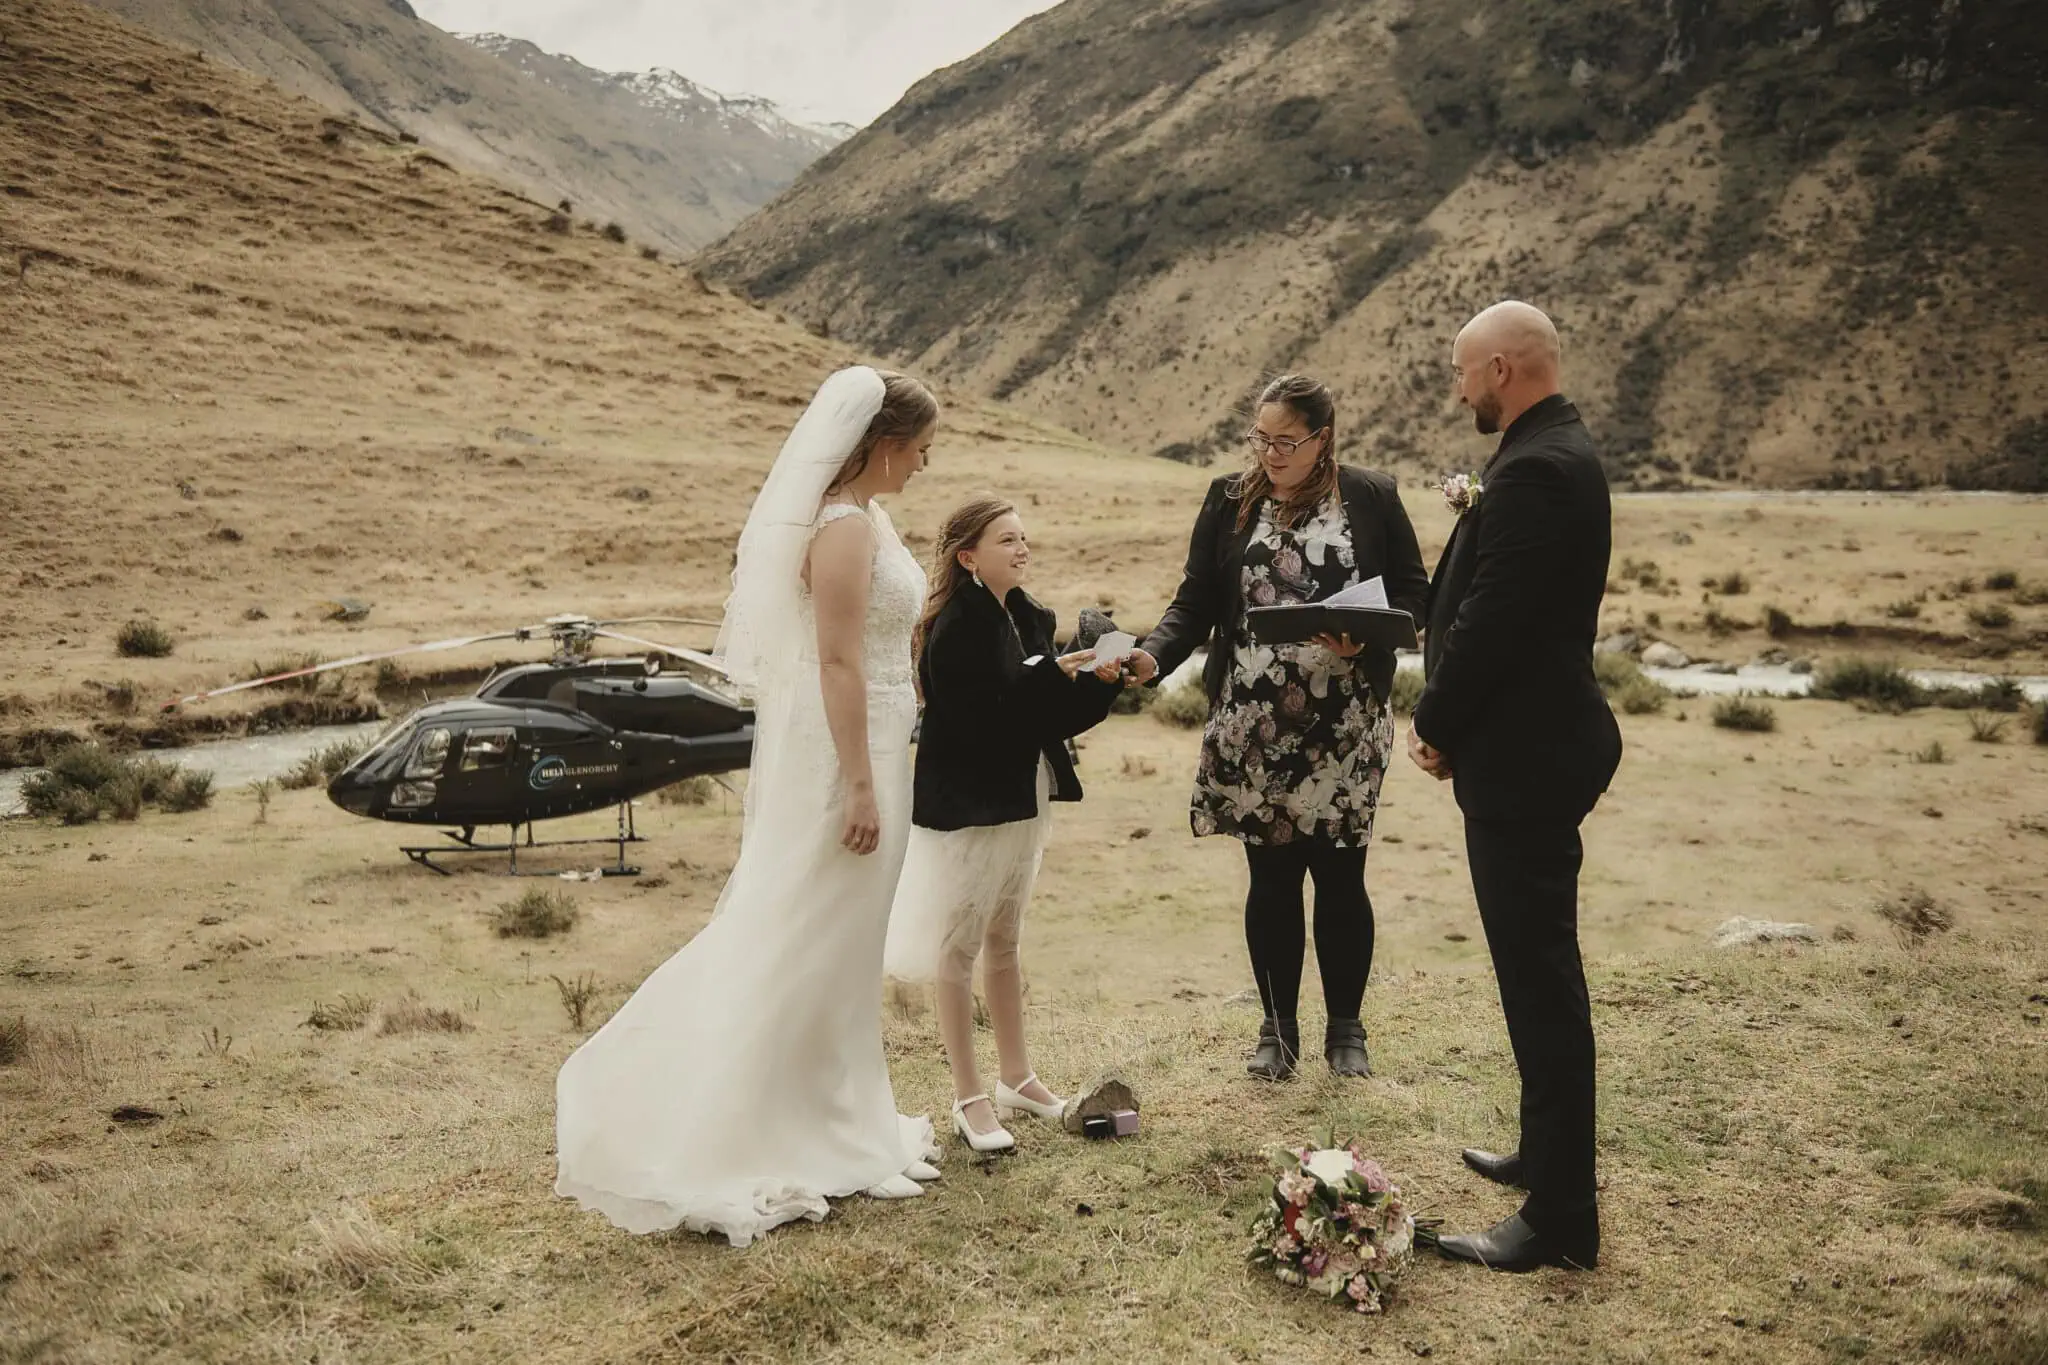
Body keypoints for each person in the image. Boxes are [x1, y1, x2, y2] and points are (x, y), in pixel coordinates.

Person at [554, 366, 945, 1246]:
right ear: (884, 445)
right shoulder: (841, 531)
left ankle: (844, 1115)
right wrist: (858, 783)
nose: (925, 463)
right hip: (847, 753)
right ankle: (763, 1122)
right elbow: (837, 662)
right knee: (804, 924)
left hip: (881, 738)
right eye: (921, 448)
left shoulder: (871, 518)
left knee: (847, 935)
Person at [1125, 375, 1428, 1081]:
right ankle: (1277, 1029)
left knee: (1342, 873)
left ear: (1323, 438)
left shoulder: (1373, 496)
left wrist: (1368, 640)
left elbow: (1415, 595)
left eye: (1286, 442)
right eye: (1260, 439)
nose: (1270, 454)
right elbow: (1194, 600)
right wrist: (1153, 654)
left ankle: (1346, 1033)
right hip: (1252, 723)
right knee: (1270, 875)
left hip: (1346, 723)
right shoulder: (1230, 499)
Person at [1408, 300, 1623, 1273]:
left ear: (1498, 368)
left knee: (1540, 982)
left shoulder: (1536, 468)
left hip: (1527, 753)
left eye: (1461, 374)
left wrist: (1435, 722)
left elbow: (1494, 617)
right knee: (1528, 972)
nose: (1456, 391)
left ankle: (1561, 1217)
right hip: (1525, 745)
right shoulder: (1549, 451)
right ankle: (1544, 1153)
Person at [885, 496, 1125, 1154]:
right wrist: (1054, 674)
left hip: (1027, 793)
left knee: (1006, 937)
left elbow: (1049, 715)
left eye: (1024, 538)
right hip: (972, 803)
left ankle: (1017, 1076)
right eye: (1006, 539)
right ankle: (969, 1096)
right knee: (959, 947)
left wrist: (1102, 677)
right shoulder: (952, 628)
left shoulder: (1029, 614)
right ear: (969, 556)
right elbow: (986, 717)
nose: (1022, 548)